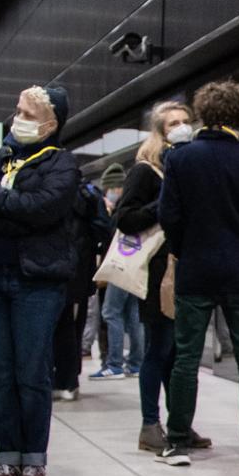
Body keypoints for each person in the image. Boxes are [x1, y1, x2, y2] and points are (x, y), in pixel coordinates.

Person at [0, 85, 84, 476]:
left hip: (37, 282)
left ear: (50, 123)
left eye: (27, 113)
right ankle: (6, 460)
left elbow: (46, 208)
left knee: (32, 372)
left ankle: (34, 462)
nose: (17, 119)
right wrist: (14, 216)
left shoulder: (62, 164)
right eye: (17, 110)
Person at [155, 78, 239, 466]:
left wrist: (183, 247)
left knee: (187, 357)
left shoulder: (180, 158)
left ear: (202, 113)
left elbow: (168, 215)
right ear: (238, 114)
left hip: (195, 268)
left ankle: (176, 442)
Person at [113, 102, 209, 453]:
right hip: (157, 273)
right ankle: (149, 424)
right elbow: (125, 218)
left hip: (186, 269)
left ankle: (179, 423)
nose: (182, 128)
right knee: (160, 348)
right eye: (173, 123)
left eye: (186, 121)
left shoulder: (188, 166)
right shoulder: (146, 171)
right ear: (160, 131)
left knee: (177, 352)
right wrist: (164, 203)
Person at [50, 178, 112, 402]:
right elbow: (105, 230)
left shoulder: (49, 188)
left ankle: (58, 379)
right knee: (72, 326)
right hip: (78, 271)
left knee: (54, 326)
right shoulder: (88, 193)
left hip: (52, 270)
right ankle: (68, 380)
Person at [91, 163, 143, 381]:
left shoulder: (123, 209)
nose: (108, 193)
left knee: (110, 312)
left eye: (110, 189)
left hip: (120, 265)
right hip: (133, 266)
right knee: (132, 315)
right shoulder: (134, 205)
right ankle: (136, 363)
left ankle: (114, 364)